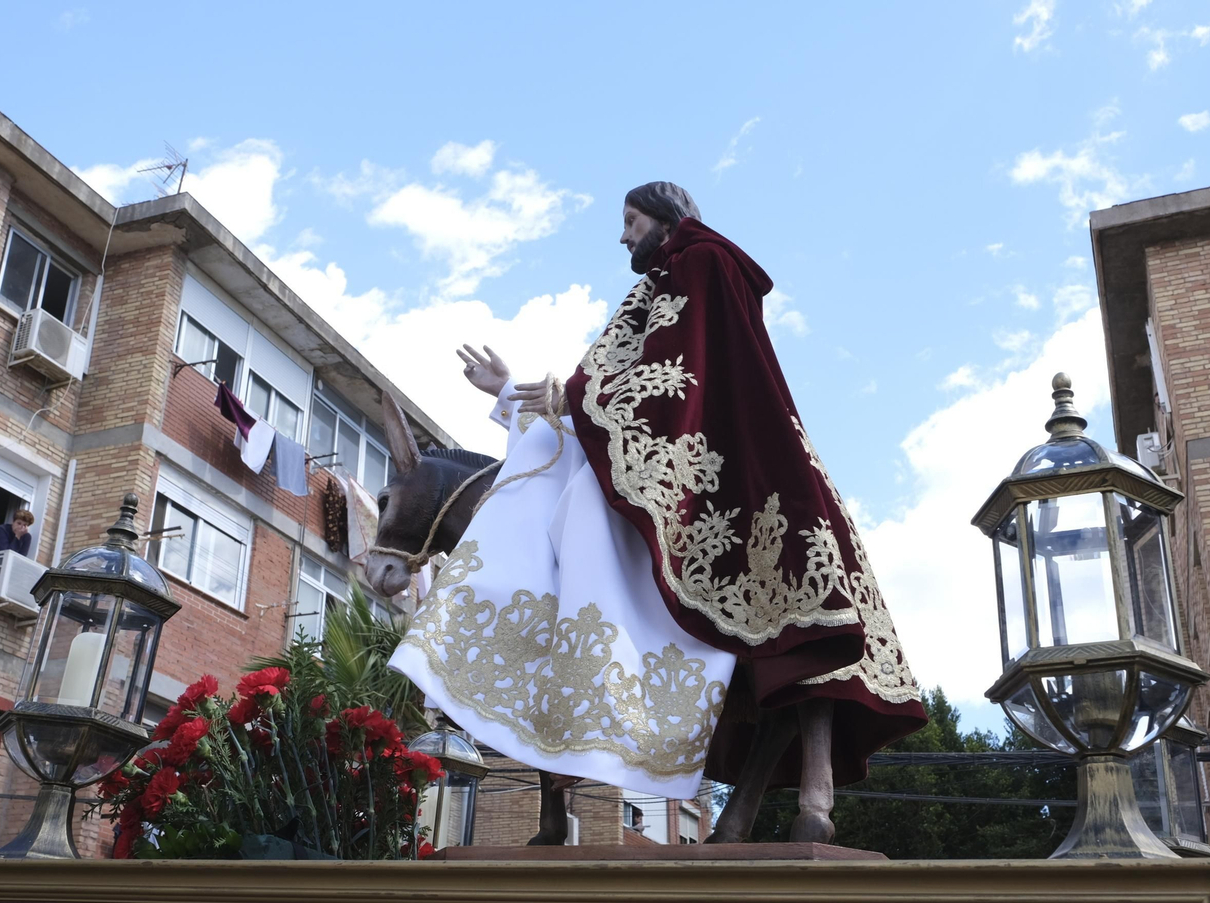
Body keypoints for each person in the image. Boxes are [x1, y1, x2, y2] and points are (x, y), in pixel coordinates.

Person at [390, 182, 926, 811]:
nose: (623, 235)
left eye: (631, 220)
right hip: (670, 449)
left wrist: (566, 394)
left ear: (667, 219)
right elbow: (614, 392)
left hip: (717, 463)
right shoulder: (665, 277)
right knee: (568, 530)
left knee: (582, 540)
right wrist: (514, 392)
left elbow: (679, 373)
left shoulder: (701, 261)